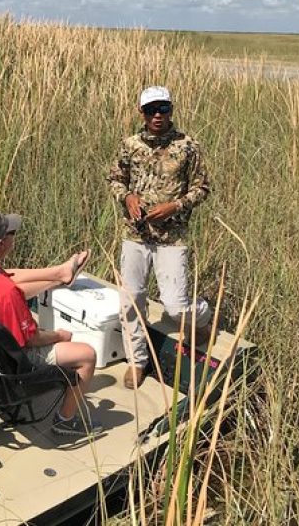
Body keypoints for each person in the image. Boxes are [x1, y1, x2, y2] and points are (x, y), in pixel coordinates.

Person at [0, 212, 102, 437]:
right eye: (11, 234)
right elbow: (31, 340)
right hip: (5, 367)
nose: (13, 237)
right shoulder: (5, 291)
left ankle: (61, 274)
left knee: (11, 284)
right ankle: (65, 421)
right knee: (87, 354)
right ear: (2, 243)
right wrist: (59, 335)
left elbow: (5, 282)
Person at [107, 86, 212, 390]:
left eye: (163, 109)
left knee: (176, 306)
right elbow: (115, 179)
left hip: (172, 237)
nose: (157, 115)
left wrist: (175, 206)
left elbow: (202, 188)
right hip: (135, 235)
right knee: (131, 300)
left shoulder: (188, 146)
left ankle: (203, 317)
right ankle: (137, 362)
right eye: (151, 109)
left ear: (171, 110)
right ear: (141, 112)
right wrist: (127, 197)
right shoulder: (129, 145)